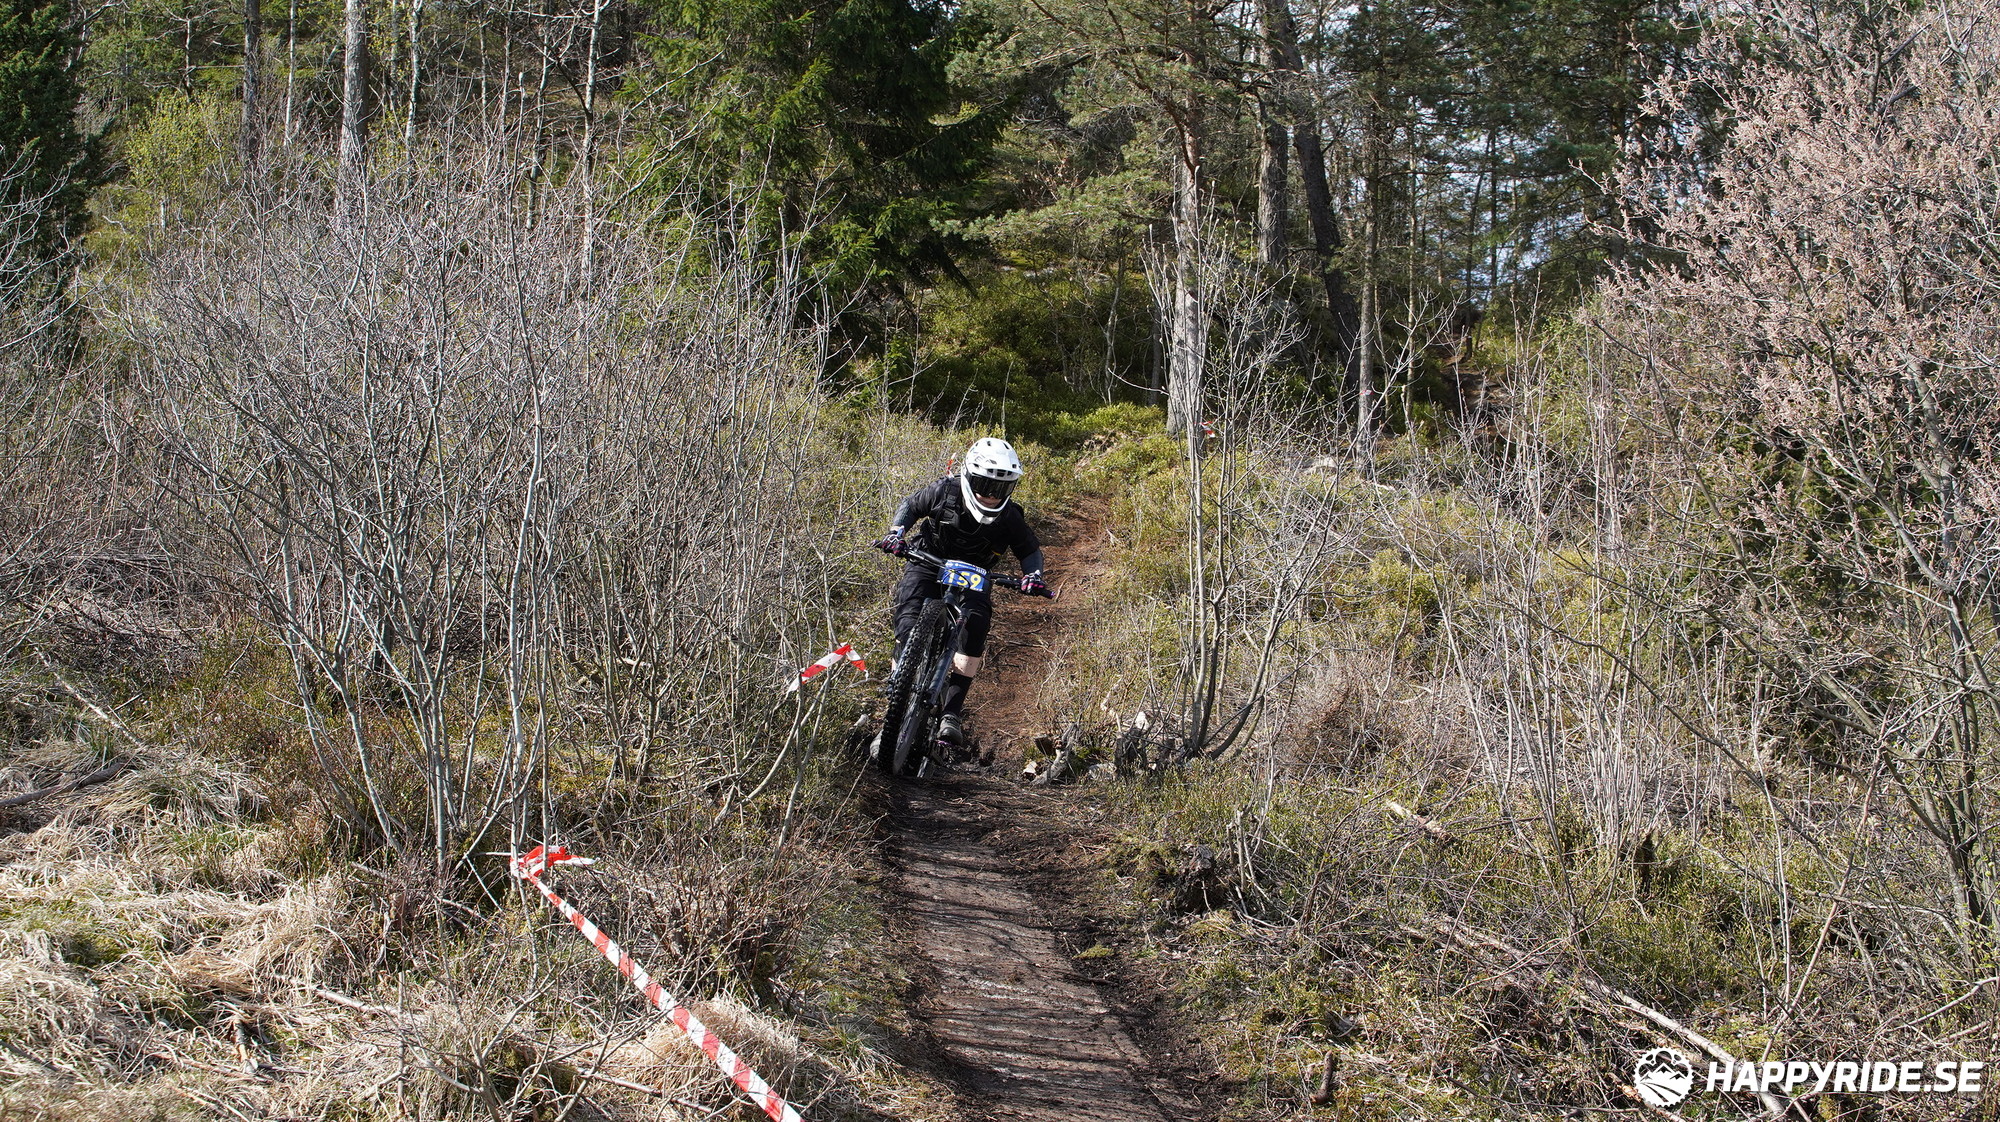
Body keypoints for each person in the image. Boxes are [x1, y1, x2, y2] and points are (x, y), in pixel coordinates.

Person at [873, 437, 1048, 745]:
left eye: (1001, 488)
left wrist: (1033, 576)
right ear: (968, 475)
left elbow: (1030, 550)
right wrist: (896, 533)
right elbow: (912, 505)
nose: (991, 496)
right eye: (985, 485)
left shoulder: (1010, 516)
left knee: (975, 626)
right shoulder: (944, 490)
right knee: (909, 620)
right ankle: (897, 698)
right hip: (928, 559)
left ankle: (951, 712)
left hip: (975, 574)